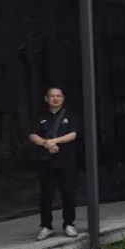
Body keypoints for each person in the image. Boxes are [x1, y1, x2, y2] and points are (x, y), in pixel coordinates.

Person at [28, 87, 79, 240]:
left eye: (58, 96)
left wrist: (54, 141)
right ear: (46, 98)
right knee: (46, 195)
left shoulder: (70, 115)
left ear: (63, 98)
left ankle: (69, 224)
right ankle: (46, 226)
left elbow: (73, 134)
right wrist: (46, 144)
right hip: (46, 162)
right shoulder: (40, 116)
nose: (55, 99)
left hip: (66, 161)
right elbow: (32, 135)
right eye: (52, 96)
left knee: (68, 194)